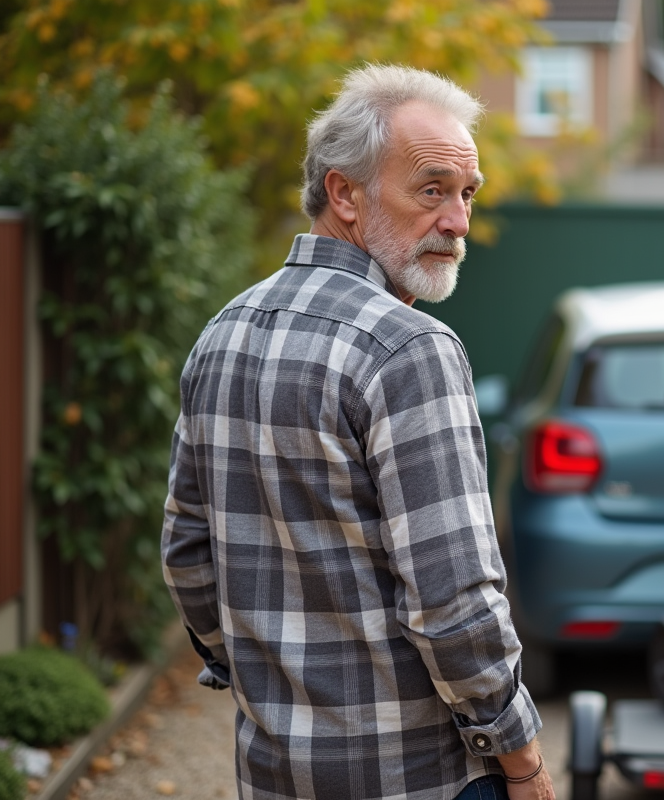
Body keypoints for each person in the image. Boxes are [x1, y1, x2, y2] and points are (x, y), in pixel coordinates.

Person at [161, 63, 554, 800]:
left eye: (467, 195)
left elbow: (186, 555)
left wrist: (253, 670)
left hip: (273, 774)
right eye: (432, 189)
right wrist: (522, 758)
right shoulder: (410, 350)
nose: (460, 222)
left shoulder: (222, 333)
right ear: (343, 192)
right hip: (422, 780)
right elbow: (455, 604)